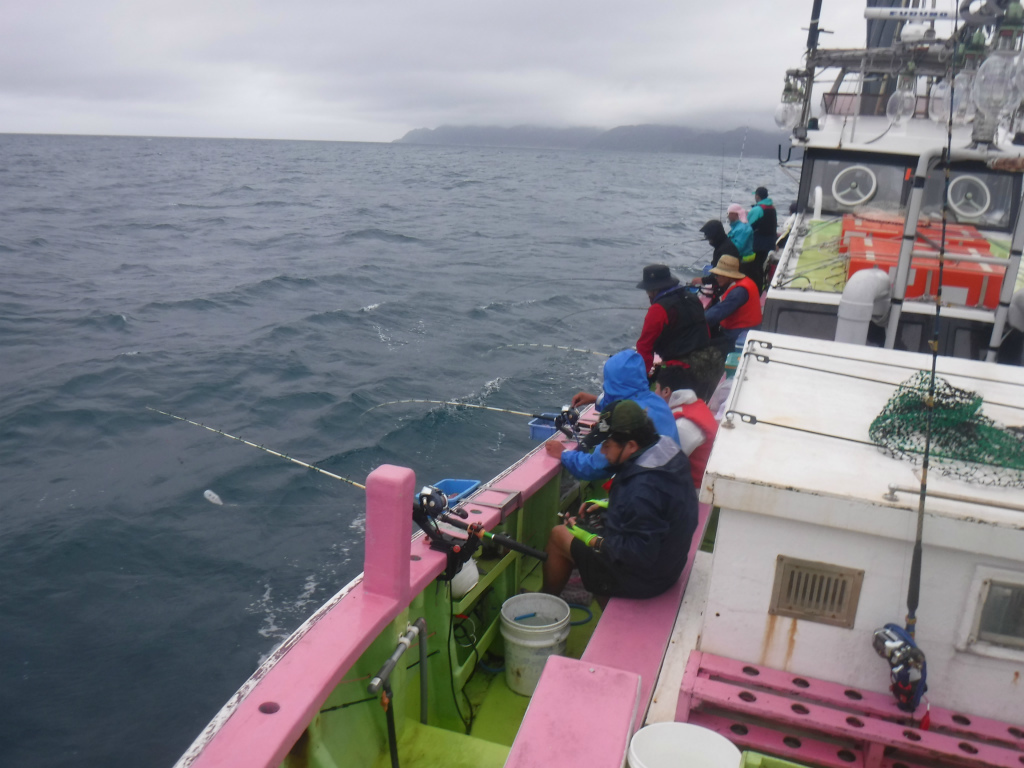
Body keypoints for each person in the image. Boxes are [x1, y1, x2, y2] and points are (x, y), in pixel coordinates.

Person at [540, 399, 698, 600]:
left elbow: (637, 556)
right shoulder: (667, 450)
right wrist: (607, 505)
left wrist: (591, 539)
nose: (603, 452)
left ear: (631, 445)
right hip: (671, 561)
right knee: (586, 526)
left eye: (607, 445)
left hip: (647, 579)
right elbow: (662, 507)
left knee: (559, 535)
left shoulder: (641, 491)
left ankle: (545, 600)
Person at [551, 349, 680, 481]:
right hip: (670, 481)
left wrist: (564, 454)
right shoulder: (656, 401)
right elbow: (624, 400)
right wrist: (596, 400)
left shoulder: (629, 421)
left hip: (646, 487)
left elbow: (595, 467)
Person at [634, 264, 710, 375]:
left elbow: (644, 346)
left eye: (648, 289)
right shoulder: (692, 297)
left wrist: (643, 375)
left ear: (653, 289)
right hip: (707, 359)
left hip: (680, 369)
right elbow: (704, 328)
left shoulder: (658, 309)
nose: (647, 293)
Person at [652, 364, 719, 490]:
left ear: (666, 391)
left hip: (693, 491)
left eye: (656, 389)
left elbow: (662, 463)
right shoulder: (696, 405)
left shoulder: (684, 425)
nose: (654, 393)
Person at [704, 254, 763, 353]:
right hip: (739, 331)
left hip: (736, 336)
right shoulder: (743, 282)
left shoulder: (738, 292)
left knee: (705, 349)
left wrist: (696, 321)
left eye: (718, 275)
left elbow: (717, 312)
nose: (716, 278)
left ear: (728, 276)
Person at [748, 186, 778, 291]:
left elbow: (748, 226)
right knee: (760, 264)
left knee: (754, 267)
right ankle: (760, 286)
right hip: (769, 243)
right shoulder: (772, 208)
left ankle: (755, 287)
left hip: (758, 243)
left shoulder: (757, 209)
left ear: (757, 196)